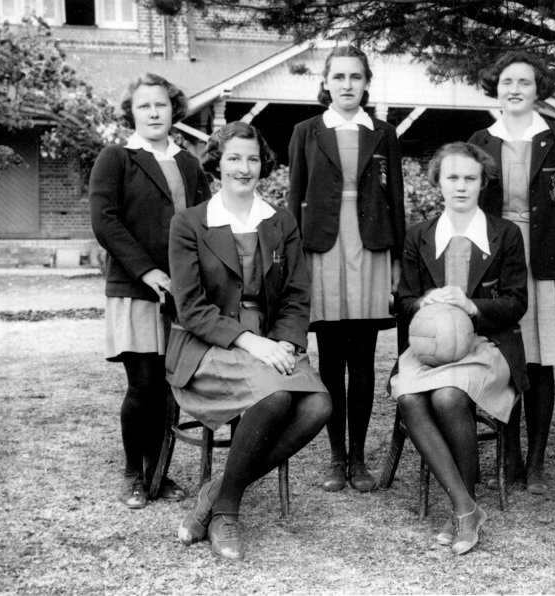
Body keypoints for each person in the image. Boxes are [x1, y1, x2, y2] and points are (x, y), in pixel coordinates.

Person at [167, 122, 331, 561]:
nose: (244, 168)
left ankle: (216, 490)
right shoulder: (189, 223)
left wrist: (288, 344)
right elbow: (191, 308)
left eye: (253, 158)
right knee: (276, 400)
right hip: (208, 344)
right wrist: (251, 343)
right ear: (217, 163)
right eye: (235, 158)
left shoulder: (280, 222)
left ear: (264, 164)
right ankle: (227, 512)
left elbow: (297, 296)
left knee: (318, 405)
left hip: (272, 341)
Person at [390, 142, 529, 555]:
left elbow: (517, 302)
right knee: (411, 398)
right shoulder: (419, 235)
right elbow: (402, 301)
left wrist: (472, 305)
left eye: (470, 178)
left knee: (451, 397)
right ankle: (466, 509)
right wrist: (425, 301)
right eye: (452, 178)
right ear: (438, 183)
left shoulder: (506, 234)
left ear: (483, 183)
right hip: (434, 347)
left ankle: (463, 506)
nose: (461, 186)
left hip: (488, 344)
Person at [90, 73, 211, 509]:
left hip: (181, 293)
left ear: (173, 110)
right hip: (136, 289)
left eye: (160, 105)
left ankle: (159, 470)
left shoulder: (190, 163)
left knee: (167, 385)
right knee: (142, 385)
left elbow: (204, 224)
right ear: (132, 113)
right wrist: (146, 272)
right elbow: (106, 222)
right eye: (144, 106)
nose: (154, 113)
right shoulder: (116, 158)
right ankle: (132, 474)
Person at [468, 51, 555, 494]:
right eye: (506, 82)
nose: (514, 90)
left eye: (524, 82)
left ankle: (536, 462)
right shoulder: (481, 138)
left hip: (547, 263)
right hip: (500, 264)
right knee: (506, 359)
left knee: (540, 365)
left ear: (539, 90)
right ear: (495, 88)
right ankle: (509, 456)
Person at [288, 45, 405, 493]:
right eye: (339, 77)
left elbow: (395, 198)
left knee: (363, 356)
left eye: (355, 77)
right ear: (326, 82)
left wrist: (395, 261)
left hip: (371, 250)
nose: (347, 85)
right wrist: (295, 261)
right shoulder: (306, 131)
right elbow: (295, 196)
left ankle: (359, 460)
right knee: (331, 358)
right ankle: (336, 458)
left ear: (366, 82)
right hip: (322, 251)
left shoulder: (384, 133)